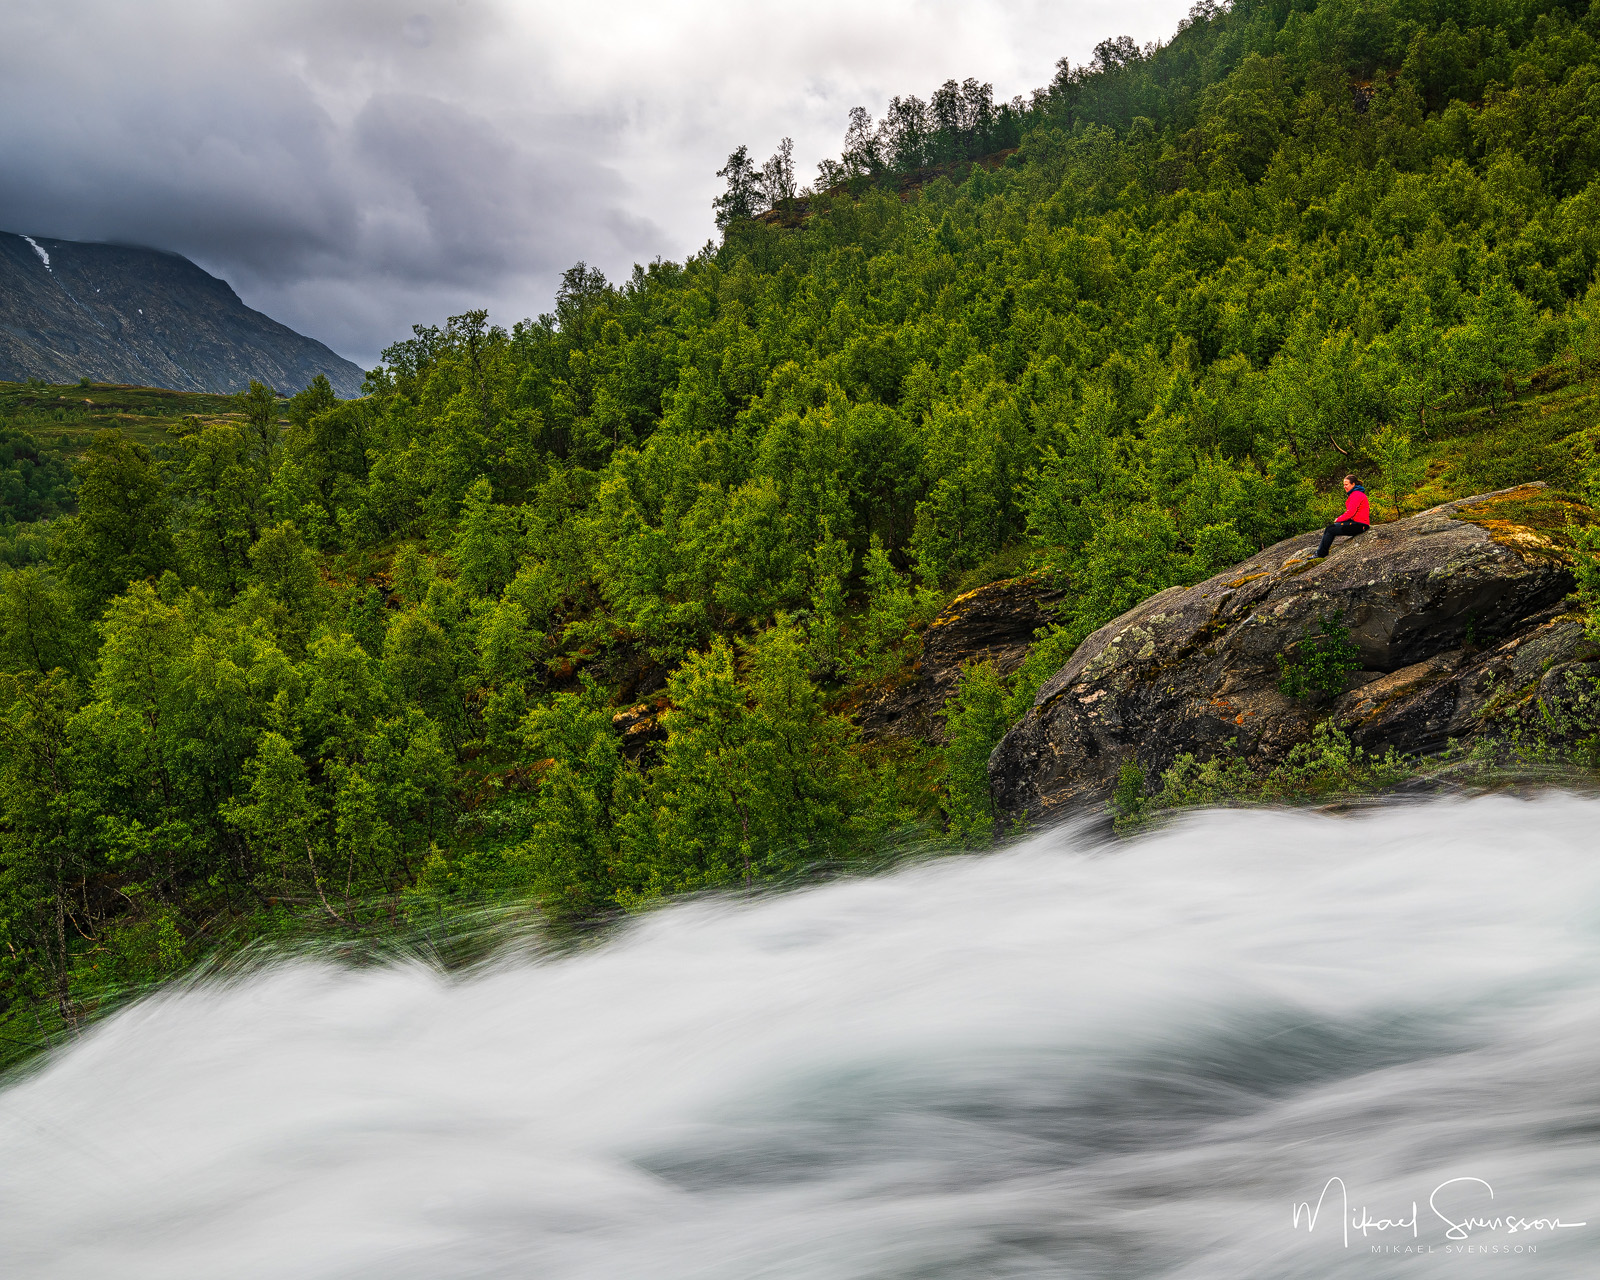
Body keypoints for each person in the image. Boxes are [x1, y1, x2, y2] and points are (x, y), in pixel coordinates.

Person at [1315, 475, 1370, 557]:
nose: (1344, 487)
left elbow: (1351, 512)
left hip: (1360, 525)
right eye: (1344, 485)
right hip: (1358, 523)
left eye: (1346, 484)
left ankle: (1320, 554)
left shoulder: (1356, 495)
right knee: (1331, 528)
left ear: (1353, 484)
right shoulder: (1356, 494)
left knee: (1330, 530)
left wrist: (1338, 519)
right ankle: (1321, 552)